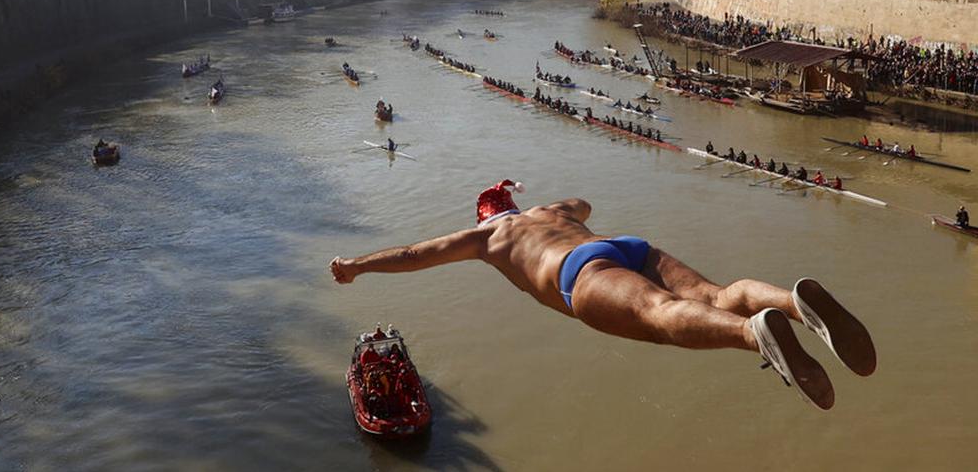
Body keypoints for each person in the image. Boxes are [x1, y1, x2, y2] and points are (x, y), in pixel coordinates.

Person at [330, 180, 876, 410]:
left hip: (577, 273)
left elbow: (410, 255)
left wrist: (355, 266)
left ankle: (752, 335)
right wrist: (534, 199)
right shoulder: (553, 211)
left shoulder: (487, 236)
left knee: (661, 317)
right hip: (624, 246)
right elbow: (584, 203)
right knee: (721, 292)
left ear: (484, 215)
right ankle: (790, 304)